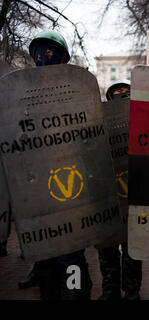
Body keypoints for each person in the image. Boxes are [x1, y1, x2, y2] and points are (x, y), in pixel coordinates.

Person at [18, 30, 92, 300]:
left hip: (71, 187)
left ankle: (75, 294)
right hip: (39, 190)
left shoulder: (76, 90)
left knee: (71, 255)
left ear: (62, 56)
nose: (43, 57)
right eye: (38, 52)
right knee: (46, 256)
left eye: (49, 51)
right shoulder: (23, 94)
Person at [97, 80, 142, 300]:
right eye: (116, 93)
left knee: (132, 248)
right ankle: (110, 289)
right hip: (107, 196)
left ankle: (132, 289)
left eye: (126, 93)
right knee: (107, 248)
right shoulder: (99, 120)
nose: (121, 96)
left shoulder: (140, 121)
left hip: (132, 194)